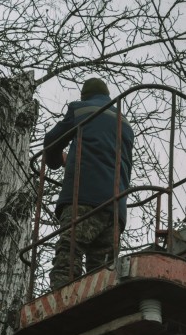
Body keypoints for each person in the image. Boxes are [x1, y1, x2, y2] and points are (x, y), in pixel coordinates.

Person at [44, 78, 134, 290]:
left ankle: (63, 303)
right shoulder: (125, 124)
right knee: (102, 275)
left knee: (69, 254)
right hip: (115, 209)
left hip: (83, 199)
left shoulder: (81, 109)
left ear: (84, 96)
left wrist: (57, 161)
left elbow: (51, 141)